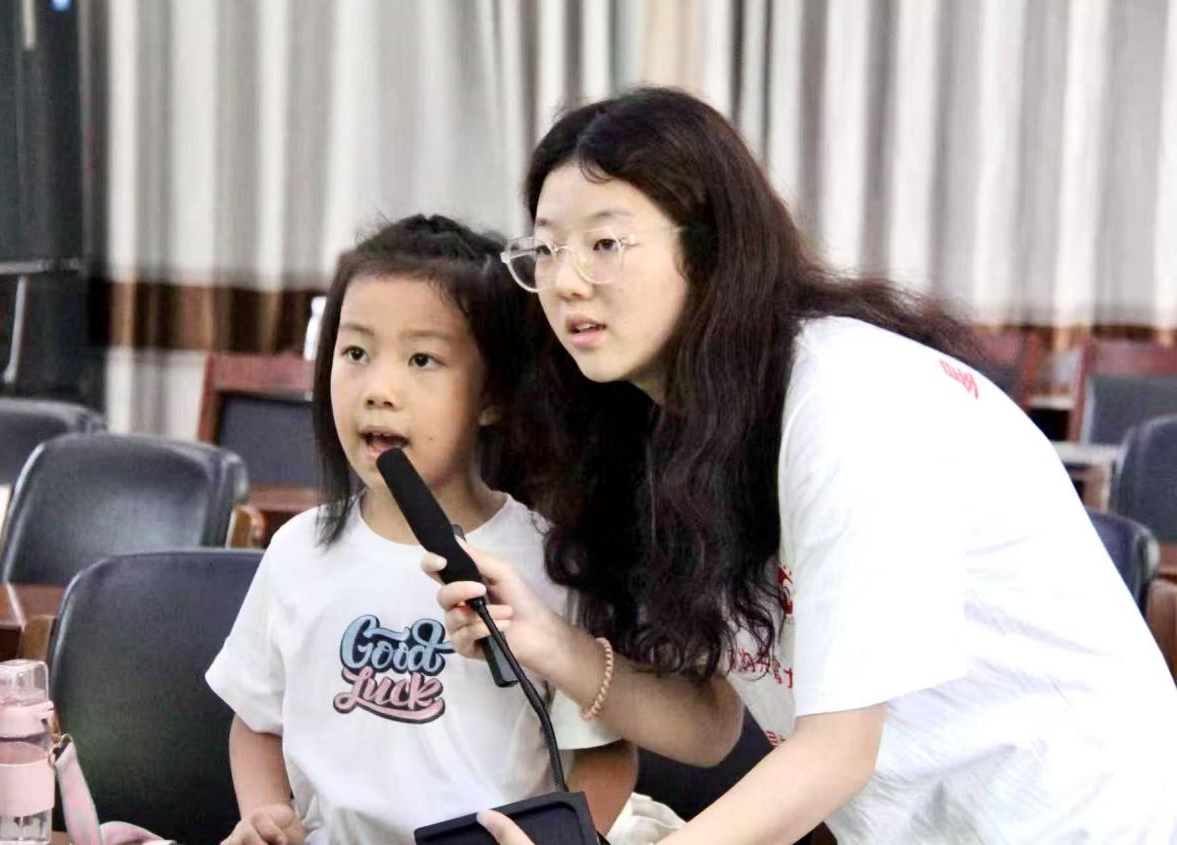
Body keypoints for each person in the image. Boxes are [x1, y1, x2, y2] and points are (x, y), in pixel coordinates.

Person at [427, 88, 1177, 843]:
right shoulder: (679, 430)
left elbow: (835, 753)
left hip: (1084, 821)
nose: (565, 281)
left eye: (604, 243)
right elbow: (709, 727)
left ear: (710, 247)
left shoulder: (849, 399)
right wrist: (549, 643)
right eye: (547, 249)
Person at [206, 215, 636, 845]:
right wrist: (267, 814)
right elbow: (256, 721)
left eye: (422, 359)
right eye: (355, 353)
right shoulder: (297, 549)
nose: (378, 390)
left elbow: (604, 756)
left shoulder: (549, 562)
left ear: (493, 394)